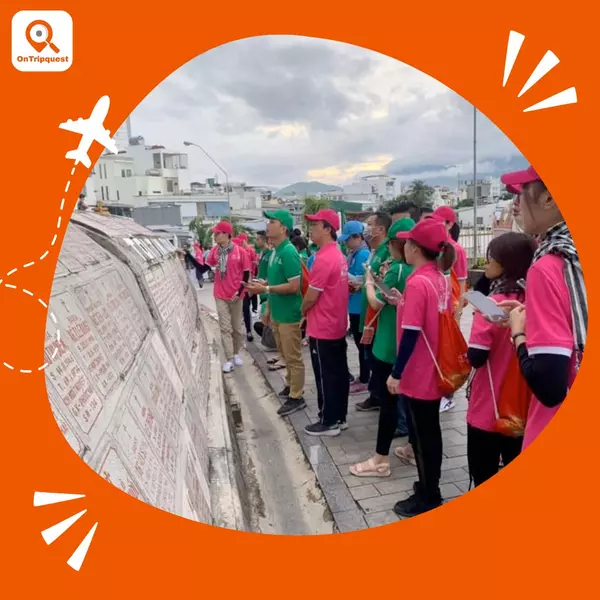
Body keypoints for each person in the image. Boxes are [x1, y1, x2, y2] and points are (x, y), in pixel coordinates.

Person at [498, 166, 586, 449]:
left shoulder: (547, 266)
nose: (516, 204)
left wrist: (519, 333)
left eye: (522, 193)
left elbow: (549, 387)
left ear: (549, 198)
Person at [386, 217, 455, 517]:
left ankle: (430, 495)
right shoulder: (439, 277)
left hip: (418, 371)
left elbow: (412, 334)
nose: (404, 246)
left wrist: (396, 373)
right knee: (429, 432)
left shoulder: (417, 282)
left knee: (422, 436)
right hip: (434, 366)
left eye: (407, 242)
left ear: (414, 248)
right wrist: (403, 303)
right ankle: (427, 485)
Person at [466, 232, 536, 487]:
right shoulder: (535, 302)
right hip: (525, 405)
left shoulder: (492, 304)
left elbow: (476, 357)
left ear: (506, 263)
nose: (486, 264)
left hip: (489, 407)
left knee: (483, 475)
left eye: (491, 258)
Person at [349, 218, 416, 477]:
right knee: (411, 403)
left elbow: (376, 303)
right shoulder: (424, 272)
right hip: (410, 348)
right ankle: (411, 449)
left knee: (388, 405)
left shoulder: (398, 270)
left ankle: (380, 460)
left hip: (388, 344)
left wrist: (369, 281)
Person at [247, 210, 306, 417]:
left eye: (272, 221)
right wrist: (268, 308)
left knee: (293, 356)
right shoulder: (274, 252)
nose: (268, 224)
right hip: (278, 313)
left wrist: (265, 289)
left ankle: (297, 396)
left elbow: (294, 286)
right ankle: (290, 386)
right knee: (285, 353)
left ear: (283, 228)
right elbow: (274, 282)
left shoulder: (288, 252)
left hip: (289, 314)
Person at [302, 209, 350, 436]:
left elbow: (312, 296)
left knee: (325, 375)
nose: (311, 229)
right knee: (338, 373)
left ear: (328, 229)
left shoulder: (323, 258)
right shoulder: (338, 255)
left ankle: (328, 421)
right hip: (337, 324)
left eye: (315, 225)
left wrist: (302, 311)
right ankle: (340, 417)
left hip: (322, 327)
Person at [433, 206, 468, 413]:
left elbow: (462, 282)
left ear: (449, 224)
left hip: (450, 307)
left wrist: (458, 312)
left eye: (440, 221)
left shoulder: (457, 250)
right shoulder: (435, 246)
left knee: (448, 351)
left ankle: (448, 395)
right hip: (437, 307)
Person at [356, 211, 392, 412]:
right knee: (369, 356)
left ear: (380, 229)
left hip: (377, 315)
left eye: (369, 224)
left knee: (375, 359)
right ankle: (376, 395)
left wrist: (371, 283)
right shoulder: (374, 250)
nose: (366, 229)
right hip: (368, 312)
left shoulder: (386, 251)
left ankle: (379, 397)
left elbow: (382, 283)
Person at [205, 221, 251, 373]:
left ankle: (236, 352)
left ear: (226, 234)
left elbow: (246, 273)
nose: (215, 236)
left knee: (236, 327)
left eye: (217, 233)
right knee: (225, 328)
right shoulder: (215, 251)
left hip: (236, 295)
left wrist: (240, 291)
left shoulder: (240, 252)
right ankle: (229, 358)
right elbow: (206, 265)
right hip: (220, 294)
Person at [339, 221, 371, 393]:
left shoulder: (363, 254)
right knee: (360, 344)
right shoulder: (353, 254)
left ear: (357, 237)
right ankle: (364, 376)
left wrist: (343, 274)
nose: (346, 243)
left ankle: (365, 378)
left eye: (348, 240)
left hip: (360, 307)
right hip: (353, 305)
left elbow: (361, 280)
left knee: (362, 345)